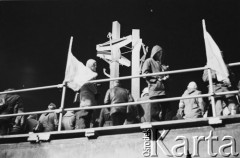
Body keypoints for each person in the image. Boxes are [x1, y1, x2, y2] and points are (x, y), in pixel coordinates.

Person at [141, 45, 171, 121]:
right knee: (155, 112)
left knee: (167, 110)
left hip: (163, 91)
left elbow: (166, 76)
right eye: (159, 53)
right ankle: (155, 129)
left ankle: (164, 127)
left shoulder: (161, 64)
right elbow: (144, 74)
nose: (160, 55)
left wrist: (166, 74)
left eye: (161, 53)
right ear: (155, 53)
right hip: (154, 90)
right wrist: (157, 78)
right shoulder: (149, 61)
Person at [75, 59, 98, 129]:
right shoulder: (88, 73)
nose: (96, 66)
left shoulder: (86, 72)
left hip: (87, 97)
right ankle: (81, 130)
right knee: (85, 114)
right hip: (87, 98)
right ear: (91, 66)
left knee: (87, 115)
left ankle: (84, 129)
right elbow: (87, 82)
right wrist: (95, 91)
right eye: (94, 65)